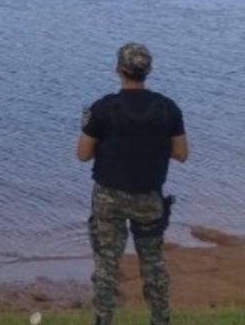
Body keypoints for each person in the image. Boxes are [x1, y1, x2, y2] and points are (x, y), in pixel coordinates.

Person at [77, 43, 189, 325]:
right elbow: (181, 154)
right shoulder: (167, 108)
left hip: (108, 197)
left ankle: (103, 319)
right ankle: (160, 319)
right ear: (147, 71)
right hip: (148, 196)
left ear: (118, 69)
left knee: (106, 264)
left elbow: (83, 154)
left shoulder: (103, 108)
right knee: (152, 263)